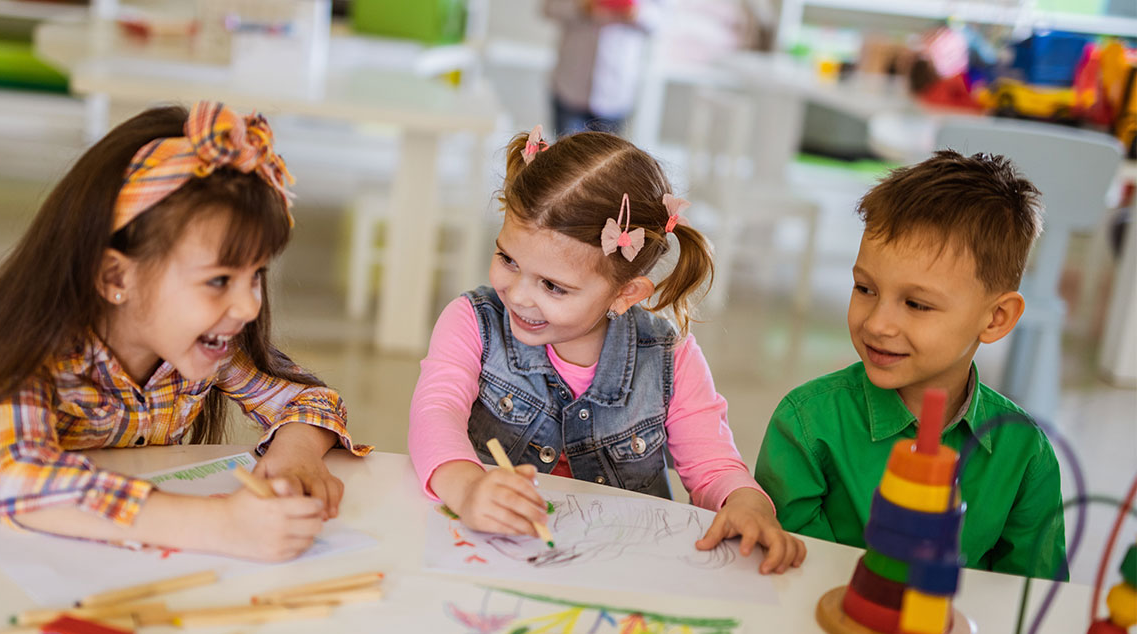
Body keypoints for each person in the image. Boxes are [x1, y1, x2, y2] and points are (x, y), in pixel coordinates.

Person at [0, 102, 369, 562]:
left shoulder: (209, 345)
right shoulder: (27, 348)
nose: (251, 305)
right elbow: (18, 475)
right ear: (115, 278)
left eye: (255, 275)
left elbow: (309, 399)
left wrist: (297, 454)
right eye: (218, 280)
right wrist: (222, 525)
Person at [409, 129, 806, 574]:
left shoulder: (669, 358)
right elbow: (435, 413)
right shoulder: (472, 321)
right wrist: (466, 488)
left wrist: (746, 503)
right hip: (490, 558)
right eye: (508, 260)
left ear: (625, 293)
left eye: (553, 286)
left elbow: (712, 466)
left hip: (621, 572)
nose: (518, 296)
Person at [755, 150, 1067, 579]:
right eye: (864, 288)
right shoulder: (807, 426)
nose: (878, 323)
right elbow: (788, 576)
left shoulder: (1025, 455)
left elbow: (1028, 599)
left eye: (917, 304)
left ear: (996, 319)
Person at [543, 0, 662, 137]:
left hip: (616, 92)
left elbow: (663, 20)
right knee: (565, 157)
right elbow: (549, 7)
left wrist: (637, 13)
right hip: (570, 87)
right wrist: (583, 7)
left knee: (608, 157)